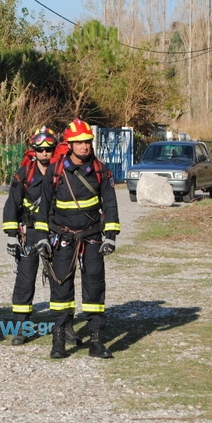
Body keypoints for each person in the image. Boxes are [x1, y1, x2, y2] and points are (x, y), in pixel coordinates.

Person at [45, 119, 120, 359]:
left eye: (87, 142)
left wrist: (111, 235)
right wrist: (40, 238)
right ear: (70, 145)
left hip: (92, 237)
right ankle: (59, 340)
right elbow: (43, 207)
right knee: (60, 289)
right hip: (62, 236)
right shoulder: (56, 170)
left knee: (95, 287)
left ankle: (97, 341)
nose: (84, 147)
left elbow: (110, 203)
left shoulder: (101, 170)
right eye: (79, 143)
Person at [2, 126, 59, 346]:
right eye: (40, 149)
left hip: (55, 233)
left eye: (49, 149)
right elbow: (12, 204)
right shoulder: (23, 174)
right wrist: (11, 235)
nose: (45, 153)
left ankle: (63, 327)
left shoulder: (60, 173)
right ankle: (21, 328)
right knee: (25, 281)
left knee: (59, 280)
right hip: (30, 234)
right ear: (33, 150)